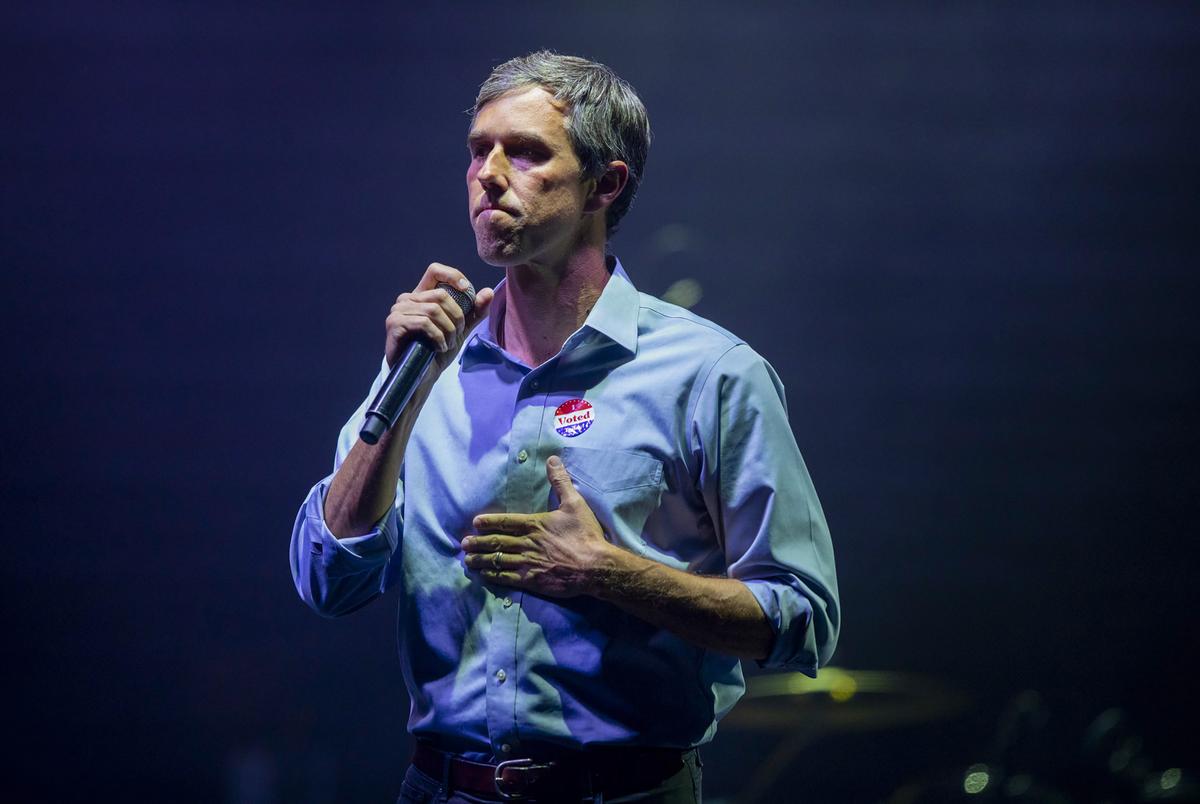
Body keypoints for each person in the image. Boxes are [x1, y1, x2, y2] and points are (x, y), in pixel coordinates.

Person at [290, 51, 840, 803]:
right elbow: (328, 579)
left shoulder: (710, 374)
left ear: (604, 185)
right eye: (478, 149)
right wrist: (403, 386)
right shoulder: (430, 361)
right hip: (440, 788)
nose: (487, 173)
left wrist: (609, 573)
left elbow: (803, 618)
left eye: (524, 152)